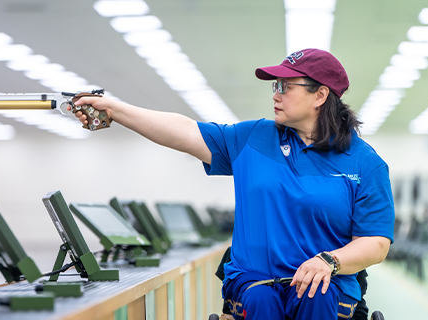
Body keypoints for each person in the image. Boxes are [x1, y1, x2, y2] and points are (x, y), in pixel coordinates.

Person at [69, 48, 395, 320]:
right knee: (262, 302)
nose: (276, 94)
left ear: (320, 95)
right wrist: (115, 108)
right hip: (255, 283)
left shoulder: (364, 162)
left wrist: (329, 261)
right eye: (274, 86)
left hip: (325, 285)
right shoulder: (253, 137)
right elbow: (184, 132)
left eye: (285, 86)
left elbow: (376, 243)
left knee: (316, 298)